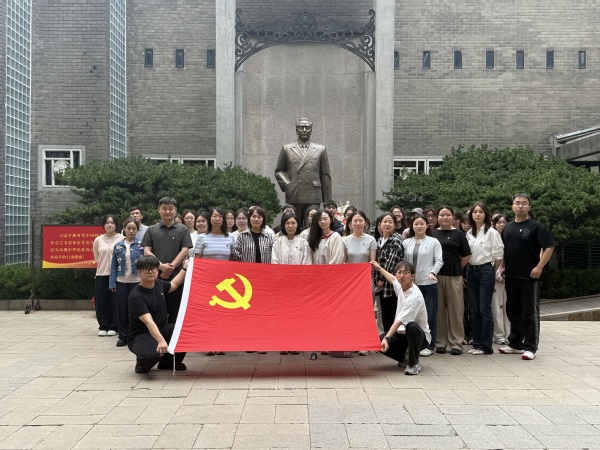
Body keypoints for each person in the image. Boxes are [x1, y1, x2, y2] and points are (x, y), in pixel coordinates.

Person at [499, 194, 554, 361]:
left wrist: (539, 267)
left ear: (529, 207)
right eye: (517, 203)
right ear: (512, 206)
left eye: (524, 203)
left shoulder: (536, 227)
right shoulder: (507, 227)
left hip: (529, 277)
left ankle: (530, 347)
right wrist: (502, 266)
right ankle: (515, 343)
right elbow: (505, 249)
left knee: (529, 312)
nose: (520, 206)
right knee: (513, 310)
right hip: (511, 276)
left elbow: (549, 247)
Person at [128, 255, 188, 374]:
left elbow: (173, 285)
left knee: (185, 332)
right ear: (139, 272)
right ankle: (142, 363)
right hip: (141, 334)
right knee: (152, 355)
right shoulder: (136, 296)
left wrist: (184, 268)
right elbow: (148, 321)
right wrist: (161, 340)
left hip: (162, 327)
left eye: (154, 269)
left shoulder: (158, 284)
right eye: (146, 269)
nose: (151, 272)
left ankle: (167, 362)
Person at [371, 261, 431, 376]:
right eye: (399, 272)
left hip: (420, 337)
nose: (402, 275)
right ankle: (405, 357)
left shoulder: (414, 296)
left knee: (411, 326)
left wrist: (387, 338)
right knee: (377, 342)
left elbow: (399, 321)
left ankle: (413, 364)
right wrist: (379, 268)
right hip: (402, 334)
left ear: (412, 276)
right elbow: (392, 279)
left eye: (406, 273)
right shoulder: (400, 285)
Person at [141, 197, 192, 324]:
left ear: (175, 210)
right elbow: (146, 251)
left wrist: (170, 268)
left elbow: (185, 250)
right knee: (157, 310)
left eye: (170, 209)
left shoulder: (183, 229)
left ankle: (174, 334)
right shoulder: (151, 230)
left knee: (176, 311)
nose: (167, 211)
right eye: (164, 208)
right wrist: (161, 266)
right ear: (159, 210)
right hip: (155, 277)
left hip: (178, 277)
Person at [274, 118, 332, 223]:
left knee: (313, 225)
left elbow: (325, 175)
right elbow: (279, 171)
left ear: (311, 130)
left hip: (313, 194)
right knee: (294, 224)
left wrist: (327, 202)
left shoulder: (320, 149)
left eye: (307, 128)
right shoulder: (287, 148)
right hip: (294, 193)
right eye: (301, 128)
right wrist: (287, 184)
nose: (304, 130)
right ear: (296, 130)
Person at [402, 213, 443, 357]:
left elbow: (439, 260)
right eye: (416, 224)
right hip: (410, 285)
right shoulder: (406, 242)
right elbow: (403, 262)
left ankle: (429, 345)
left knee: (429, 314)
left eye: (421, 224)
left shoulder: (433, 242)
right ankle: (412, 344)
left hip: (427, 283)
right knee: (410, 314)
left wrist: (433, 272)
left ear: (427, 225)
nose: (419, 226)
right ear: (412, 226)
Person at [432, 206, 472, 355]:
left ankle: (456, 343)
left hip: (454, 276)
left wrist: (457, 266)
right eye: (442, 215)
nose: (445, 217)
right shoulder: (432, 233)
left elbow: (467, 255)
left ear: (453, 217)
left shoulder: (459, 234)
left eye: (448, 215)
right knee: (439, 311)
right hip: (436, 276)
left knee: (456, 310)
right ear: (438, 217)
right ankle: (440, 342)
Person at [465, 202, 504, 355]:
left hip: (486, 270)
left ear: (486, 214)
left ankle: (486, 346)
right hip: (471, 270)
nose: (477, 214)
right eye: (475, 212)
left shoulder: (491, 232)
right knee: (474, 309)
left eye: (481, 212)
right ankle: (476, 343)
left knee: (484, 309)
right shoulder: (469, 233)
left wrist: (492, 272)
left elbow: (498, 254)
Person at [272, 212, 311, 355]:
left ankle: (296, 343)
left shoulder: (303, 242)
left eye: (293, 223)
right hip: (282, 285)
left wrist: (299, 279)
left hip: (298, 285)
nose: (290, 226)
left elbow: (307, 263)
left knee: (297, 314)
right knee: (282, 314)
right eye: (287, 223)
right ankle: (283, 343)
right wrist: (282, 279)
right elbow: (274, 262)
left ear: (297, 225)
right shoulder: (277, 242)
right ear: (283, 225)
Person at [343, 210, 378, 355]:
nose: (358, 223)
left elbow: (372, 262)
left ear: (365, 223)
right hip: (349, 283)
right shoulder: (344, 240)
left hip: (365, 281)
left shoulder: (371, 240)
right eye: (355, 221)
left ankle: (364, 343)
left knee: (365, 312)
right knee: (350, 312)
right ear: (350, 224)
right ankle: (352, 341)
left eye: (360, 220)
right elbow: (344, 262)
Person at [109, 218, 144, 347]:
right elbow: (113, 265)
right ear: (124, 229)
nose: (131, 231)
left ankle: (136, 335)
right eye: (128, 228)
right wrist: (112, 283)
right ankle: (123, 336)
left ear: (137, 230)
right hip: (121, 282)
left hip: (137, 282)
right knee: (121, 310)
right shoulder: (118, 246)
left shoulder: (142, 245)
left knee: (135, 310)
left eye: (134, 229)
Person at [374, 212, 405, 333]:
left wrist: (381, 279)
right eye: (384, 222)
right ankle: (388, 341)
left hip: (392, 285)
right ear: (380, 224)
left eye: (390, 222)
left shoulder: (395, 241)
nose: (387, 224)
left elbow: (391, 263)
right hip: (381, 287)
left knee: (393, 315)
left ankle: (394, 341)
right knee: (385, 315)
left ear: (395, 225)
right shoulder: (379, 241)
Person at [93, 214, 123, 337]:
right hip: (101, 274)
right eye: (107, 223)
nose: (110, 225)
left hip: (117, 275)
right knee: (101, 301)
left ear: (116, 225)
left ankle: (113, 326)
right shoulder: (98, 240)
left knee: (115, 301)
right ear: (103, 225)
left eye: (112, 222)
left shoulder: (121, 238)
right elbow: (97, 256)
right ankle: (103, 326)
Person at [492, 214, 510, 345]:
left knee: (509, 306)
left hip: (509, 275)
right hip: (494, 275)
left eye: (504, 222)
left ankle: (510, 334)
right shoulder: (491, 236)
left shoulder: (510, 236)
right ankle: (499, 335)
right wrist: (496, 272)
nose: (502, 225)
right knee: (496, 306)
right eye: (499, 222)